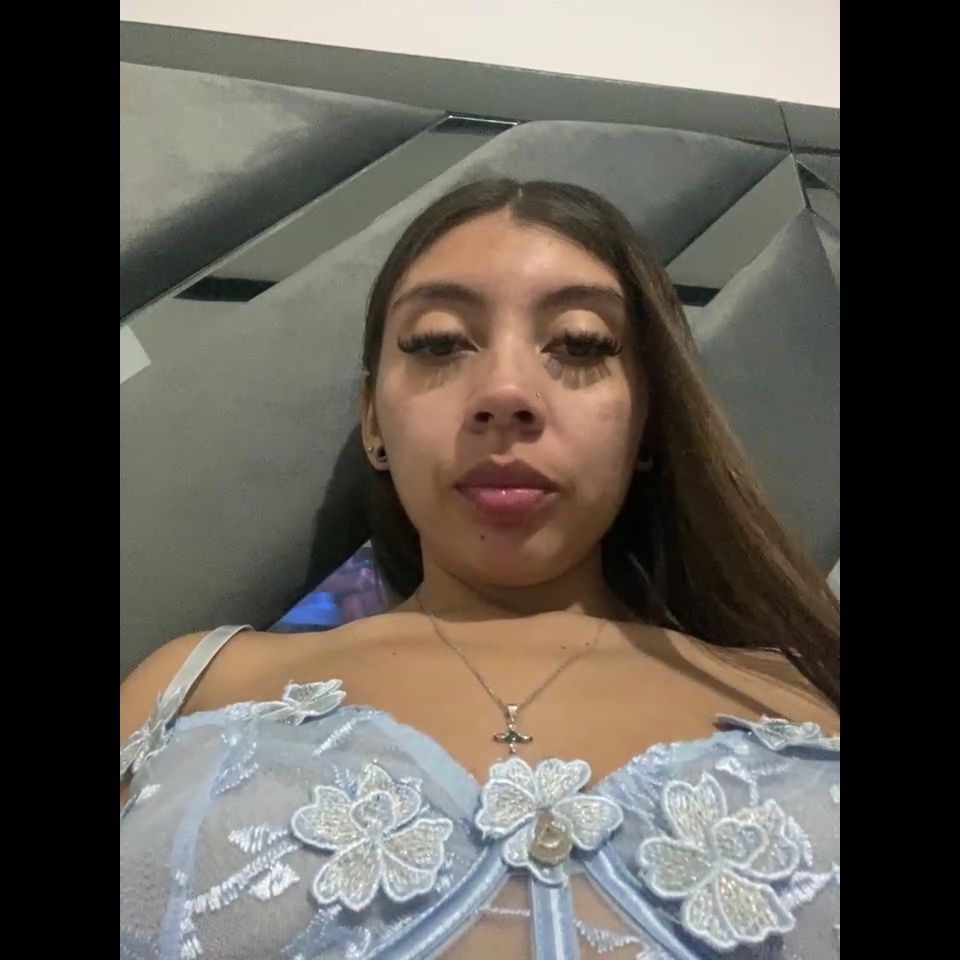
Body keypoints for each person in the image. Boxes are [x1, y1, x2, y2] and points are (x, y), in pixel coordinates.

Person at [120, 179, 840, 959]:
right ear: (373, 419)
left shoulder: (809, 697)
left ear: (650, 420)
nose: (505, 393)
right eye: (438, 343)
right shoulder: (190, 689)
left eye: (580, 344)